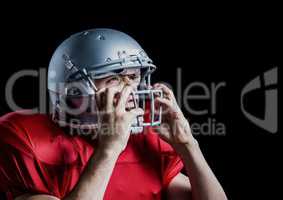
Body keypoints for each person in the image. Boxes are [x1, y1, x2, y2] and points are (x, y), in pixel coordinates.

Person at [0, 28, 227, 200]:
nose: (131, 91)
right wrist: (109, 149)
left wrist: (188, 145)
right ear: (73, 91)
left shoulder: (145, 137)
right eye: (114, 79)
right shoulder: (24, 136)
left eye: (134, 77)